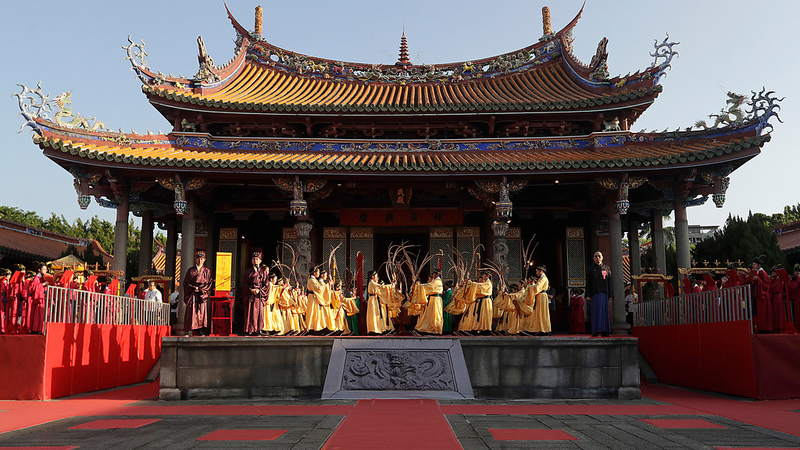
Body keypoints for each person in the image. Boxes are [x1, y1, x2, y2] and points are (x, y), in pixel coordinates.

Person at [183, 249, 213, 336]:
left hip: (201, 294)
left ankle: (201, 330)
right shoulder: (190, 270)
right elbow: (186, 283)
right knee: (190, 312)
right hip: (192, 293)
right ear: (195, 259)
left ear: (204, 260)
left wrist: (201, 290)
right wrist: (193, 288)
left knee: (201, 312)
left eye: (202, 259)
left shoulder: (207, 271)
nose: (200, 260)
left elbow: (209, 283)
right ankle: (187, 330)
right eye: (198, 259)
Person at [586, 250, 613, 337]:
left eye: (599, 256)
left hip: (604, 294)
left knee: (605, 312)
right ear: (593, 258)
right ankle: (595, 331)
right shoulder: (590, 269)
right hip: (594, 294)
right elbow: (588, 283)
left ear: (602, 257)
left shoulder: (607, 268)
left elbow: (610, 282)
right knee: (595, 312)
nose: (598, 258)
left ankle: (605, 331)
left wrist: (611, 294)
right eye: (596, 256)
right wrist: (588, 295)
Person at [366, 270, 399, 334]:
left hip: (374, 299)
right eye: (376, 276)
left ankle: (378, 329)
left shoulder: (373, 283)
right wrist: (391, 285)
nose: (377, 278)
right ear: (372, 276)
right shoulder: (372, 283)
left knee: (376, 314)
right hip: (372, 300)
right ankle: (374, 330)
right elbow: (382, 287)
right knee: (374, 314)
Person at [412, 270, 444, 335]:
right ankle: (426, 329)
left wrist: (418, 286)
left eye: (433, 274)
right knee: (429, 315)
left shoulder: (437, 282)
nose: (433, 275)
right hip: (433, 299)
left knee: (433, 315)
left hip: (435, 300)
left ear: (437, 274)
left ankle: (434, 329)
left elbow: (428, 286)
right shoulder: (436, 281)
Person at [522, 265, 550, 336]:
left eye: (537, 271)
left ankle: (544, 329)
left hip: (542, 296)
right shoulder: (541, 278)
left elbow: (537, 288)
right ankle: (539, 328)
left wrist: (530, 286)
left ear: (541, 271)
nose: (536, 273)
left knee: (542, 312)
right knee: (538, 312)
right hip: (539, 296)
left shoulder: (543, 279)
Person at [243, 251, 266, 336]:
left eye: (257, 259)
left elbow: (266, 284)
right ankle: (249, 329)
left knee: (259, 312)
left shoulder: (263, 272)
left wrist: (260, 290)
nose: (255, 261)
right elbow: (244, 284)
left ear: (260, 261)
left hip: (259, 295)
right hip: (251, 294)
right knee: (250, 312)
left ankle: (258, 329)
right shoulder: (248, 271)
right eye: (253, 259)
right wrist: (250, 290)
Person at [306, 266, 333, 334]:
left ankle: (318, 327)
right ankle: (311, 328)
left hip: (315, 298)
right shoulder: (311, 280)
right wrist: (328, 285)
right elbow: (318, 289)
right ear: (314, 273)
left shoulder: (314, 280)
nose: (318, 273)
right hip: (312, 298)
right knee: (313, 312)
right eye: (318, 272)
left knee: (317, 313)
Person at [749, 255, 772, 333]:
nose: (753, 266)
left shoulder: (763, 273)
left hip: (763, 296)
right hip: (758, 295)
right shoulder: (758, 272)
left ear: (759, 265)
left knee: (763, 313)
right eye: (753, 264)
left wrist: (758, 280)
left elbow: (766, 286)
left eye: (755, 265)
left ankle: (764, 328)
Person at [29, 262, 48, 334]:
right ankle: (36, 329)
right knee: (38, 315)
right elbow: (34, 287)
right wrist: (43, 284)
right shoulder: (37, 278)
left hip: (43, 298)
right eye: (43, 269)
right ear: (39, 270)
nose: (45, 271)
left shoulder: (43, 278)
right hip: (38, 299)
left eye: (46, 269)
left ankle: (41, 329)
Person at [769, 265, 787, 333]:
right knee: (775, 312)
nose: (772, 274)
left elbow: (773, 287)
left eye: (773, 272)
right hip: (775, 297)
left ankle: (781, 326)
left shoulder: (779, 279)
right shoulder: (775, 279)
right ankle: (777, 326)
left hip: (778, 296)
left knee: (779, 312)